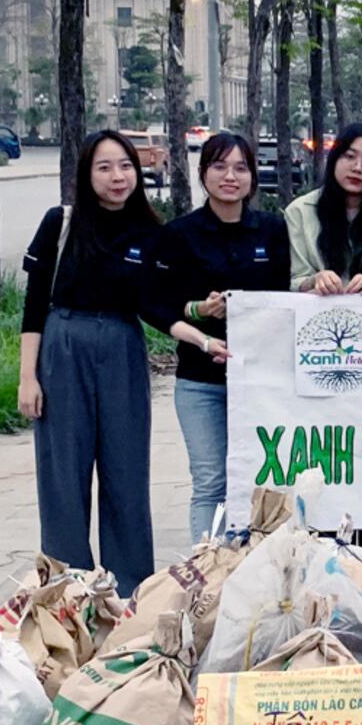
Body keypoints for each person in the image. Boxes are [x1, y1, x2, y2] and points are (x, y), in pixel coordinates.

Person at [17, 129, 162, 587]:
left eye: (126, 166)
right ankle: (69, 594)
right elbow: (34, 302)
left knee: (127, 475)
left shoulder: (152, 233)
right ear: (86, 173)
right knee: (63, 475)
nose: (117, 177)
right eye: (105, 167)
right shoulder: (60, 222)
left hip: (122, 346)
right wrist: (28, 377)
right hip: (63, 346)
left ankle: (131, 593)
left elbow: (164, 302)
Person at [143, 132, 292, 540]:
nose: (231, 176)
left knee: (262, 480)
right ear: (203, 173)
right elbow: (160, 305)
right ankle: (206, 572)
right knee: (211, 481)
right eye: (220, 167)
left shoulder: (272, 230)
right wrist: (202, 317)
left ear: (252, 177)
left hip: (261, 381)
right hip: (200, 381)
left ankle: (254, 567)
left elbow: (284, 300)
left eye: (241, 167)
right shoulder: (179, 234)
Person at [286, 123, 362, 294]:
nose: (357, 168)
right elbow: (294, 281)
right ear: (334, 159)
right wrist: (315, 280)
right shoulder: (300, 211)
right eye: (349, 156)